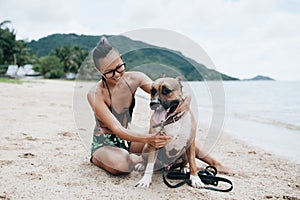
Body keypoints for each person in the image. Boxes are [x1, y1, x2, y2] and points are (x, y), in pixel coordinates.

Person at [87, 37, 231, 175]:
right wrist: (150, 139)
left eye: (119, 67)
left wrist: (187, 97)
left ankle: (215, 163)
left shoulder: (135, 78)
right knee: (123, 165)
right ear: (99, 72)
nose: (117, 74)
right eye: (110, 72)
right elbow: (116, 129)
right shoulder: (95, 94)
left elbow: (164, 91)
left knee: (177, 136)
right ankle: (104, 157)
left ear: (122, 60)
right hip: (105, 141)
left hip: (129, 140)